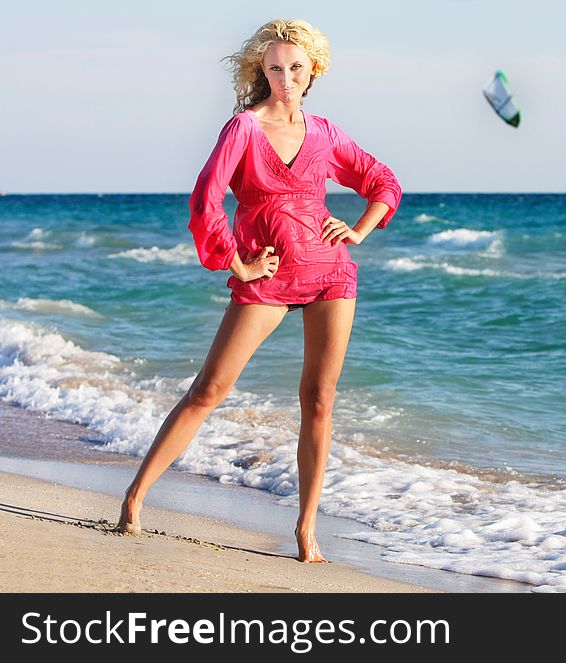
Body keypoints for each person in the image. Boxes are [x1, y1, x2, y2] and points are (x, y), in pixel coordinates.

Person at [114, 18, 402, 563]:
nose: (286, 78)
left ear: (312, 70)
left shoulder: (326, 133)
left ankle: (307, 530)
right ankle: (135, 497)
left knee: (319, 400)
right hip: (268, 278)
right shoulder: (243, 128)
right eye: (275, 67)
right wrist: (236, 264)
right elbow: (206, 199)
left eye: (296, 67)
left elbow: (383, 180)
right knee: (209, 389)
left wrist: (359, 229)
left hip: (331, 274)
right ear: (261, 70)